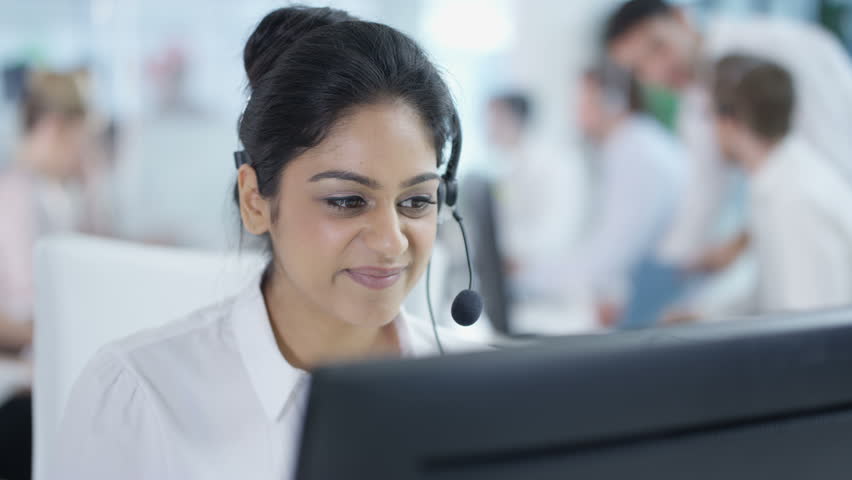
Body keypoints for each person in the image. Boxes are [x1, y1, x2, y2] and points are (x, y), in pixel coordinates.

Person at [52, 7, 480, 479]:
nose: (390, 241)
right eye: (346, 201)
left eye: (416, 201)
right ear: (255, 201)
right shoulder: (140, 398)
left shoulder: (482, 392)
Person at [603, 0, 852, 272]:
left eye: (657, 47)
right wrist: (658, 268)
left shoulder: (774, 47)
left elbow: (832, 162)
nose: (657, 71)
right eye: (639, 69)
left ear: (681, 18)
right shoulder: (698, 96)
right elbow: (702, 196)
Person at [522, 62, 685, 328]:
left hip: (660, 308)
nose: (576, 112)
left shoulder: (636, 153)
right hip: (649, 298)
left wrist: (530, 277)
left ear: (612, 102)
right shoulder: (631, 145)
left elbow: (611, 252)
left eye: (583, 101)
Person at [705, 56, 852, 314]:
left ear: (730, 123)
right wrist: (709, 317)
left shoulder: (795, 200)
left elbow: (808, 328)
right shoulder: (778, 180)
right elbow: (774, 294)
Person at [0, 70, 91, 480]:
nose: (82, 156)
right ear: (54, 128)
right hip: (18, 382)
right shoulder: (12, 197)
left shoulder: (58, 195)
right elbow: (16, 311)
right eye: (78, 142)